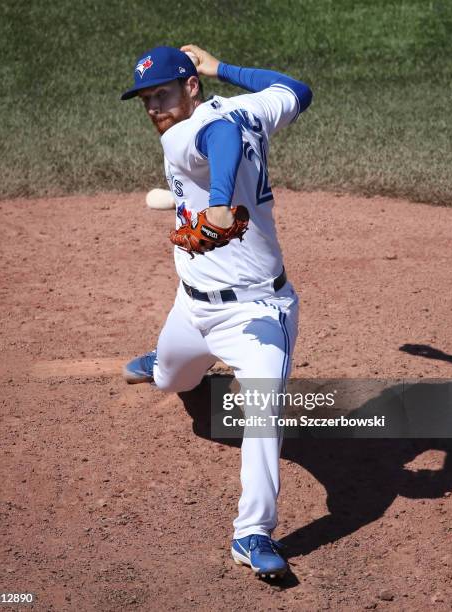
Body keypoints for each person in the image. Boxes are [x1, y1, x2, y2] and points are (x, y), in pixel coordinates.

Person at [121, 44, 312, 579]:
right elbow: (297, 89)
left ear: (189, 88)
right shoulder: (247, 109)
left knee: (264, 415)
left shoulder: (188, 135)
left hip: (258, 315)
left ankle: (252, 533)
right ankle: (165, 362)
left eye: (162, 94)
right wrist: (220, 66)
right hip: (192, 307)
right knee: (170, 381)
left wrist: (222, 198)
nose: (154, 108)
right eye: (145, 100)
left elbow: (219, 139)